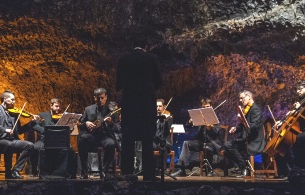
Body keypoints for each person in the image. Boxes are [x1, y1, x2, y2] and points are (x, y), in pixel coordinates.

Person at [116, 38, 162, 181]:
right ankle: (148, 174)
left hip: (129, 104)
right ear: (145, 46)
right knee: (148, 139)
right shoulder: (152, 58)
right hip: (147, 105)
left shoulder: (123, 58)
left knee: (128, 139)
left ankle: (127, 174)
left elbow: (118, 84)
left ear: (132, 45)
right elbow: (159, 81)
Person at [0, 90, 35, 179]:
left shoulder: (14, 114)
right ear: (5, 99)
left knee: (30, 145)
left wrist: (32, 122)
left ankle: (15, 170)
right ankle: (8, 172)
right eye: (12, 100)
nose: (14, 102)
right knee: (9, 144)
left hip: (12, 140)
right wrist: (4, 130)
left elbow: (20, 131)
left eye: (14, 100)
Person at [171, 98, 222, 177]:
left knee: (207, 147)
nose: (205, 109)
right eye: (203, 107)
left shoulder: (215, 117)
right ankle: (181, 169)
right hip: (201, 142)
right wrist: (190, 122)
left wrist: (210, 128)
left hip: (212, 143)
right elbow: (188, 126)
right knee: (186, 143)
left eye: (207, 107)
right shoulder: (199, 116)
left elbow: (217, 132)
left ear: (211, 107)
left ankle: (210, 169)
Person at [77, 88, 120, 179]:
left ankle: (104, 171)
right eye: (97, 98)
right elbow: (80, 125)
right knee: (81, 138)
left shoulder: (112, 110)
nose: (100, 100)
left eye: (102, 98)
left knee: (111, 143)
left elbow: (118, 128)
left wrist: (111, 123)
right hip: (92, 136)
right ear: (94, 98)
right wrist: (86, 123)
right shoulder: (88, 109)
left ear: (106, 97)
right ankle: (84, 171)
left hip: (105, 136)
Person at [30, 98, 77, 178]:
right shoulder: (43, 115)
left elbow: (70, 129)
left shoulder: (64, 116)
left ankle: (71, 173)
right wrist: (44, 130)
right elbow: (34, 125)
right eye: (56, 106)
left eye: (59, 107)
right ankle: (35, 170)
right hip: (45, 140)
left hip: (60, 141)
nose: (58, 108)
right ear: (51, 106)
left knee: (70, 149)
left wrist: (70, 127)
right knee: (35, 147)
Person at [222, 90, 265, 177]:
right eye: (240, 99)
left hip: (254, 141)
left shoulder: (255, 109)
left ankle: (244, 168)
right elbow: (241, 126)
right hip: (247, 139)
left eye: (242, 98)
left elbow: (255, 126)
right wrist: (236, 129)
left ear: (249, 97)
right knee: (227, 147)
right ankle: (244, 167)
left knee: (229, 146)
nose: (241, 100)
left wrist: (245, 123)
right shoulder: (247, 109)